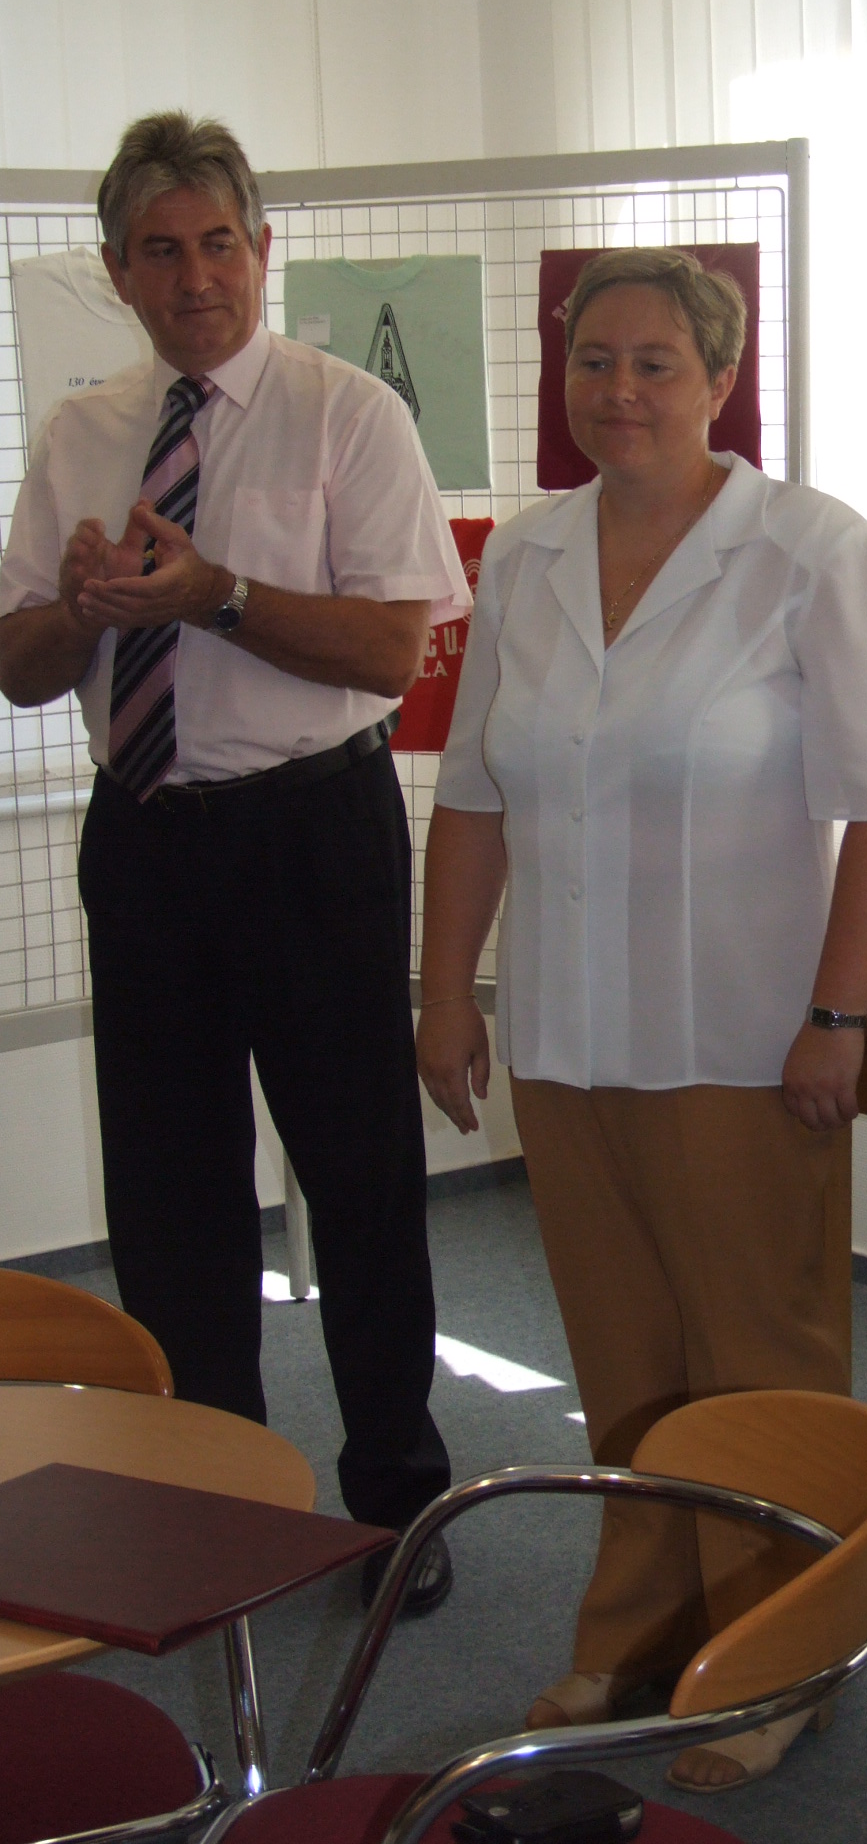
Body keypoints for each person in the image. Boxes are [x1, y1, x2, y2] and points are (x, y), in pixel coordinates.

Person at [417, 247, 867, 1792]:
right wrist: (445, 993)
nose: (619, 391)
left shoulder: (815, 553)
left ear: (720, 379)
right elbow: (474, 795)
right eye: (594, 361)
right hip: (570, 1039)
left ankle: (781, 1652)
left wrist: (841, 1014)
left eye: (654, 363)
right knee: (626, 1362)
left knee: (762, 1362)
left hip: (742, 1041)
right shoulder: (528, 554)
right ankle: (640, 1628)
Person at [0, 112, 471, 1614]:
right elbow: (19, 665)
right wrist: (80, 612)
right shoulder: (80, 432)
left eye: (219, 243)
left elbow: (390, 648)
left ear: (264, 252)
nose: (195, 275)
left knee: (359, 1175)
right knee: (170, 1199)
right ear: (117, 272)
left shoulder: (350, 414)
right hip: (144, 839)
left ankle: (398, 1499)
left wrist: (213, 594)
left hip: (311, 833)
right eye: (161, 251)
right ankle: (214, 1501)